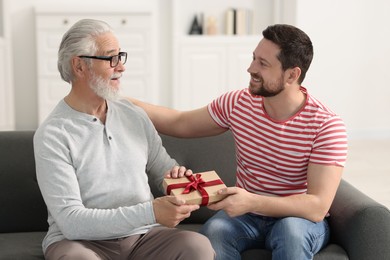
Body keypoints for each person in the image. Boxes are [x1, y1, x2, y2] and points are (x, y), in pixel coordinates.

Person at [130, 24, 348, 260]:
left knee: (290, 233)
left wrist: (252, 201)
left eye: (263, 64)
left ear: (292, 75)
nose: (251, 68)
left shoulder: (326, 125)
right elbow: (179, 122)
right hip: (246, 216)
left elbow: (316, 206)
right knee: (214, 232)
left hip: (296, 218)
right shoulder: (238, 104)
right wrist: (121, 101)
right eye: (254, 58)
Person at [33, 19, 215, 260]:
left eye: (121, 57)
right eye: (111, 58)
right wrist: (151, 213)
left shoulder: (134, 115)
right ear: (79, 66)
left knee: (197, 246)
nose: (121, 67)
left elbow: (163, 170)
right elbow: (72, 222)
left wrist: (178, 180)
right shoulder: (53, 134)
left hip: (143, 237)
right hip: (81, 242)